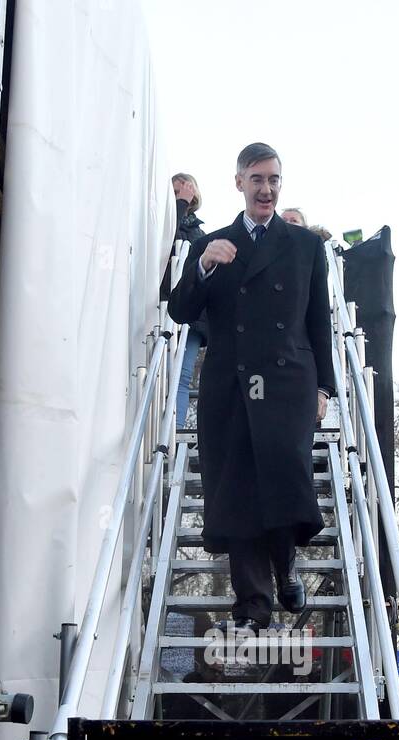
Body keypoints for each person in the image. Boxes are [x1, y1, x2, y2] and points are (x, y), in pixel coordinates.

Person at [169, 142, 335, 633]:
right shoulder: (211, 244)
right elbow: (179, 310)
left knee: (284, 478)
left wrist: (325, 387)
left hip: (288, 384)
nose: (266, 188)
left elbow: (317, 321)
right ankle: (252, 605)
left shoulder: (307, 247)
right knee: (237, 491)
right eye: (257, 179)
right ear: (239, 182)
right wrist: (203, 268)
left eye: (274, 180)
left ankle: (284, 566)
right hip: (230, 384)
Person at [160, 174, 207, 424]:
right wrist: (178, 204)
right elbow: (165, 241)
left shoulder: (199, 233)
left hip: (191, 317)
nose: (181, 196)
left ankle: (174, 431)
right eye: (174, 192)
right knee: (156, 372)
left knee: (181, 374)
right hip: (160, 310)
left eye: (184, 191)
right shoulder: (160, 224)